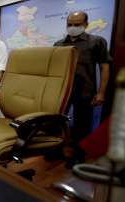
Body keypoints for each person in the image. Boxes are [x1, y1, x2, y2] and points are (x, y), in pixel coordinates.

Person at [54, 11, 111, 166]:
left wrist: (101, 92)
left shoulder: (97, 42)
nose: (73, 27)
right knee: (56, 122)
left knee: (82, 125)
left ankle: (78, 155)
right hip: (62, 91)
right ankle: (55, 151)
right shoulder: (59, 44)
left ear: (86, 24)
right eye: (70, 24)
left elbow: (105, 67)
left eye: (77, 24)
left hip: (85, 90)